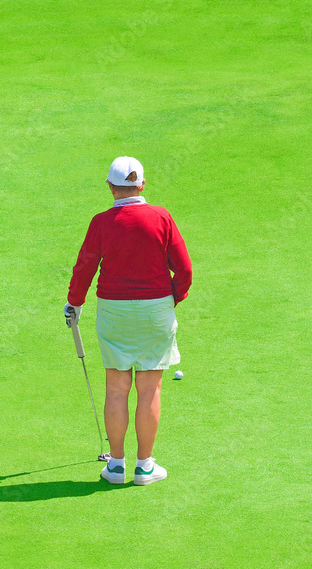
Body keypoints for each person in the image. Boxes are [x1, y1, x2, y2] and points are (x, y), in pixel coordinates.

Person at [64, 156, 192, 486]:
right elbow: (184, 270)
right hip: (156, 309)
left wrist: (74, 304)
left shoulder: (101, 222)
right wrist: (171, 300)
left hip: (114, 312)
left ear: (110, 187)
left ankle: (117, 467)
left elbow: (84, 267)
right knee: (150, 388)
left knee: (116, 388)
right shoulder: (161, 217)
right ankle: (145, 467)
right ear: (142, 184)